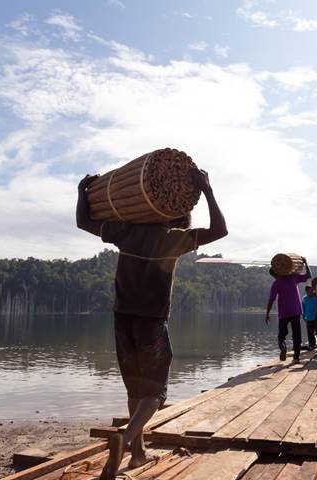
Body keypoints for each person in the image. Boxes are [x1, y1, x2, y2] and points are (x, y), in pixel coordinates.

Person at [76, 168, 227, 480]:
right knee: (156, 393)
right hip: (152, 324)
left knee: (135, 388)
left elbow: (83, 222)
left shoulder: (127, 232)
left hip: (122, 321)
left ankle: (138, 456)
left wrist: (82, 192)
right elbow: (220, 229)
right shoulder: (173, 240)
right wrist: (208, 190)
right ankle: (127, 438)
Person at [265, 258, 312, 363]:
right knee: (297, 335)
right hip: (296, 311)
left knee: (281, 335)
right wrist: (305, 263)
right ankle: (296, 358)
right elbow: (308, 275)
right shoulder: (293, 277)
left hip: (284, 312)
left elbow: (271, 299)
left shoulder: (276, 283)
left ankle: (283, 347)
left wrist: (267, 313)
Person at [301, 285, 317, 350]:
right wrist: (303, 317)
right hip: (308, 318)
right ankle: (312, 345)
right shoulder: (304, 299)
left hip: (316, 318)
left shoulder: (316, 298)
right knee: (310, 333)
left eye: (311, 290)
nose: (310, 292)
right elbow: (303, 309)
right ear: (306, 291)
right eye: (309, 291)